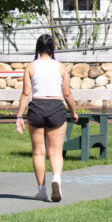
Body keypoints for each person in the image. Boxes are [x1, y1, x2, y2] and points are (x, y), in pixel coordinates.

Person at [14, 34, 79, 202]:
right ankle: (56, 178)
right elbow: (67, 93)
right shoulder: (61, 67)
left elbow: (26, 93)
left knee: (38, 152)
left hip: (36, 107)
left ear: (37, 48)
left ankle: (41, 190)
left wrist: (19, 116)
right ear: (53, 48)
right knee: (56, 152)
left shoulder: (31, 67)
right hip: (56, 107)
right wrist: (73, 112)